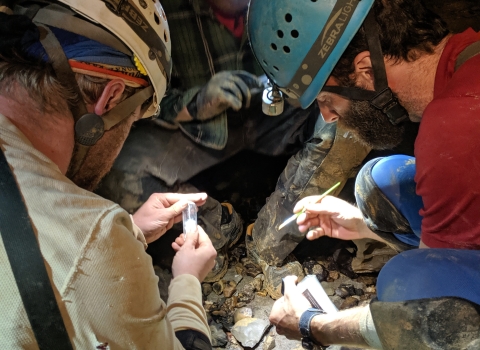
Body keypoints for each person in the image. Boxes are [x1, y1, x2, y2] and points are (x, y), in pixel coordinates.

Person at [94, 0, 389, 289]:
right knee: (120, 166)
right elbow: (146, 102)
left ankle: (267, 243)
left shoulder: (293, 7)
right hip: (203, 129)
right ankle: (218, 229)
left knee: (347, 125)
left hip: (275, 117)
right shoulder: (164, 13)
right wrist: (197, 102)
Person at [247, 0, 480, 348]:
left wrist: (313, 324)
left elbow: (428, 315)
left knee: (412, 286)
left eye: (327, 100)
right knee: (381, 182)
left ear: (366, 70)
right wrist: (363, 225)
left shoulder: (454, 127)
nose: (328, 116)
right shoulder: (468, 56)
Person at [0, 1, 217, 349]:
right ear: (112, 96)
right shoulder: (95, 236)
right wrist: (187, 280)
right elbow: (77, 248)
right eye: (132, 122)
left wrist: (132, 230)